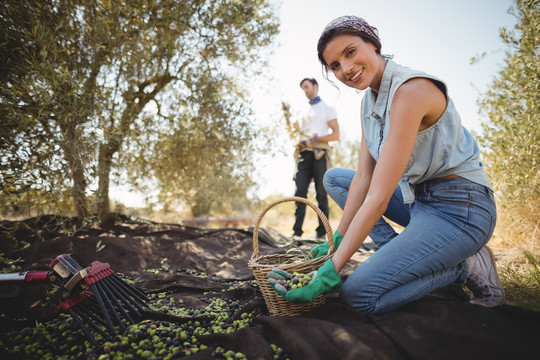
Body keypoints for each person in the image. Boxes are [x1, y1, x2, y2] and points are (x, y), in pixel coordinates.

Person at [268, 15, 504, 314]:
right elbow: (364, 177)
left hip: (462, 210)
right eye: (335, 66)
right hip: (419, 201)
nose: (346, 69)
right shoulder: (369, 102)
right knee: (336, 179)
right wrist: (337, 239)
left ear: (374, 44)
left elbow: (378, 197)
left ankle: (465, 266)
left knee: (358, 296)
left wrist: (332, 268)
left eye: (350, 52)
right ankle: (405, 258)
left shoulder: (411, 92)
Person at [291, 78, 340, 239]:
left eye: (306, 87)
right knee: (300, 192)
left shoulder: (327, 109)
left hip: (320, 154)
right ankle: (296, 232)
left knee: (321, 193)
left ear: (315, 86)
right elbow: (294, 131)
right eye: (302, 88)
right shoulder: (301, 110)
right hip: (304, 155)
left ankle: (322, 232)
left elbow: (336, 134)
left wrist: (317, 138)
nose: (305, 90)